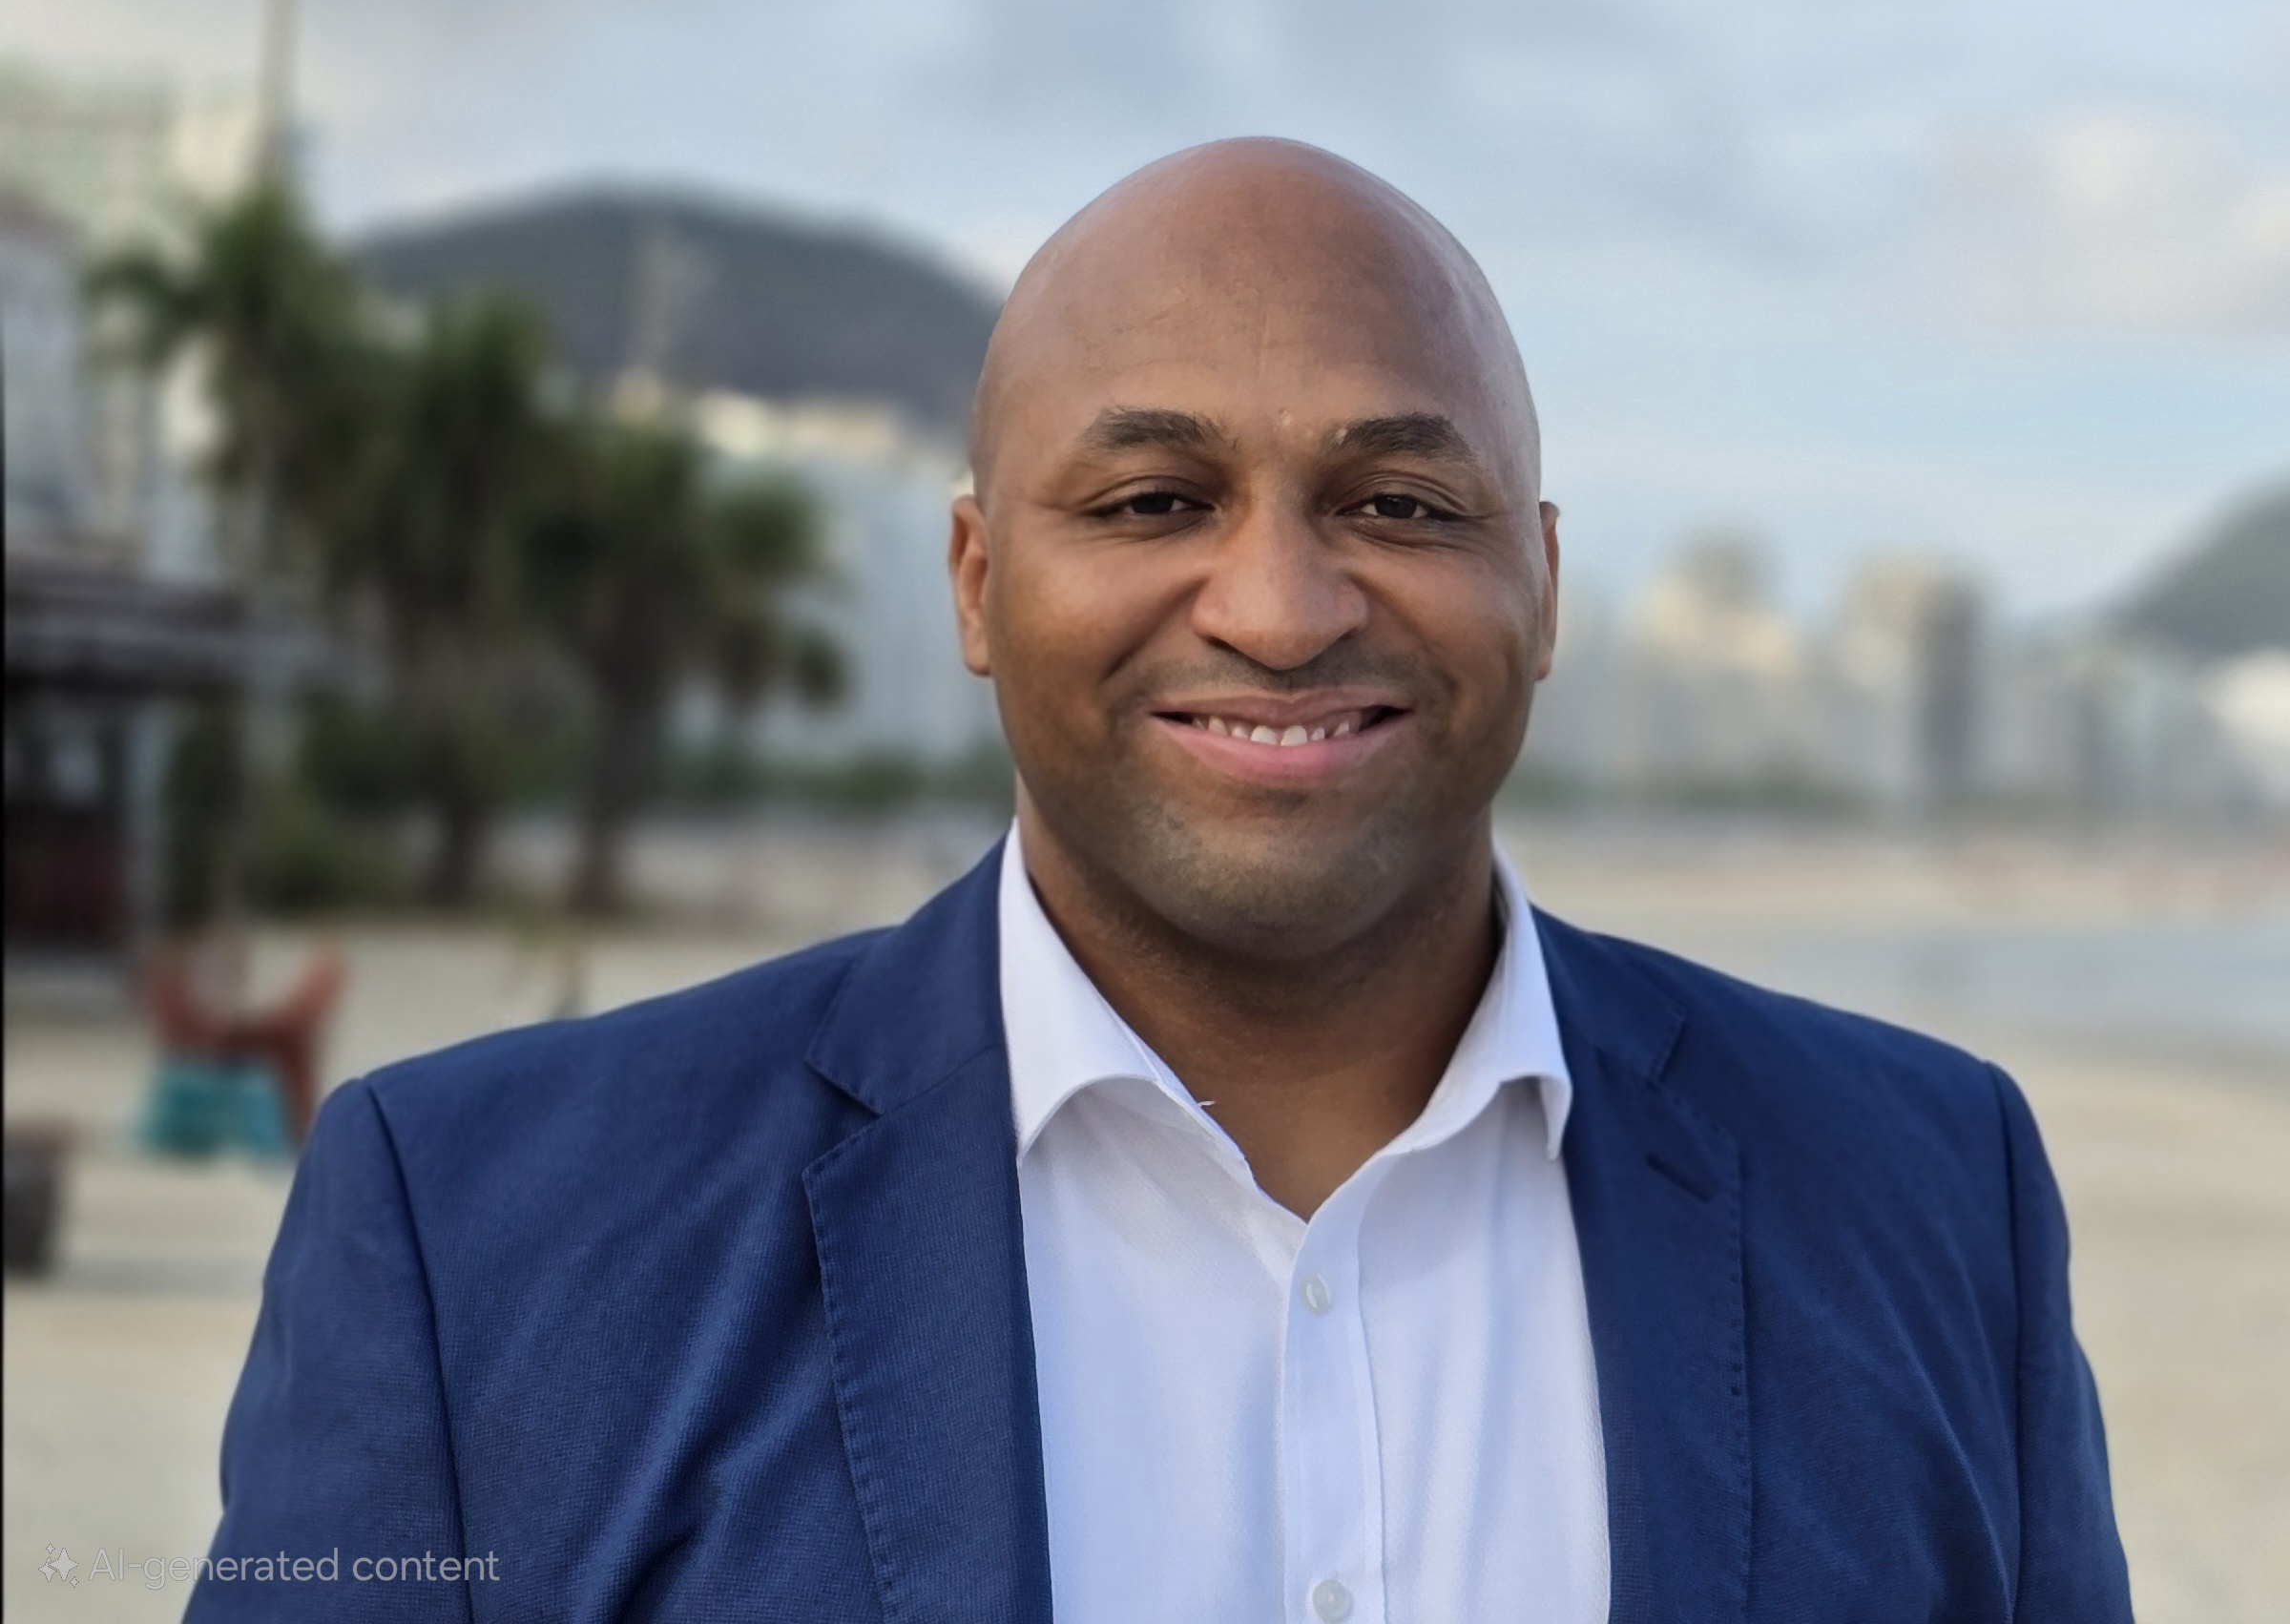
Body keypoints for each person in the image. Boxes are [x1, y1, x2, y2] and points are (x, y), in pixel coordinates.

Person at [192, 140, 2131, 1622]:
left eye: (1400, 503)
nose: (1281, 609)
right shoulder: (485, 1241)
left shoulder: (1928, 1195)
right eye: (1152, 504)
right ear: (974, 583)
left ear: (1538, 584)